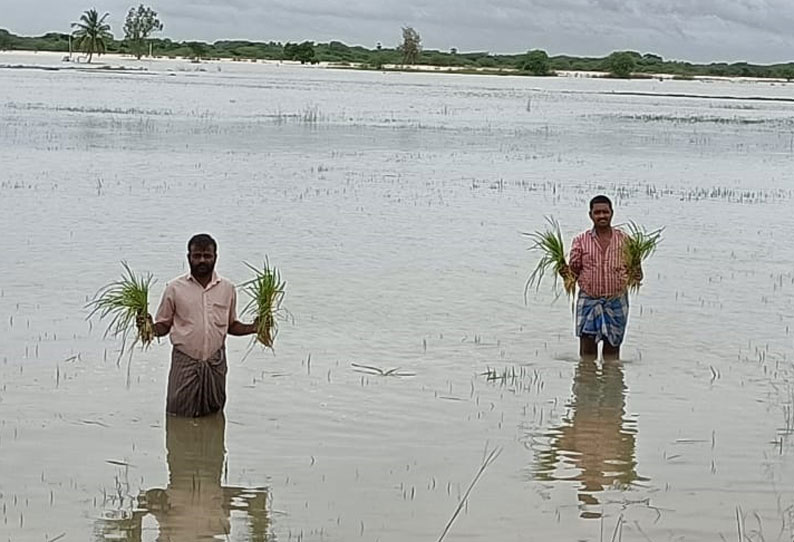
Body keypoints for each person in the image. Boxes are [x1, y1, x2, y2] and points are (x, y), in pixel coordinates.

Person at [140, 234, 258, 417]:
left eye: (207, 255)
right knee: (177, 415)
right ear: (189, 257)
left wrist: (254, 327)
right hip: (185, 362)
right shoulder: (174, 288)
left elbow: (231, 325)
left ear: (215, 257)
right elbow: (164, 325)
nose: (202, 260)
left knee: (214, 414)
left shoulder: (227, 289)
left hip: (215, 363)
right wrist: (148, 328)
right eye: (197, 256)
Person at [564, 195, 642, 361]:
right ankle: (587, 383)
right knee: (587, 353)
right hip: (589, 300)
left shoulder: (626, 241)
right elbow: (573, 273)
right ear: (590, 214)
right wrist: (563, 272)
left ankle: (611, 384)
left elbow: (637, 274)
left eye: (605, 212)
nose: (602, 216)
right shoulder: (580, 241)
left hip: (616, 301)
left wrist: (636, 274)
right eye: (597, 212)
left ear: (612, 213)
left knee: (612, 353)